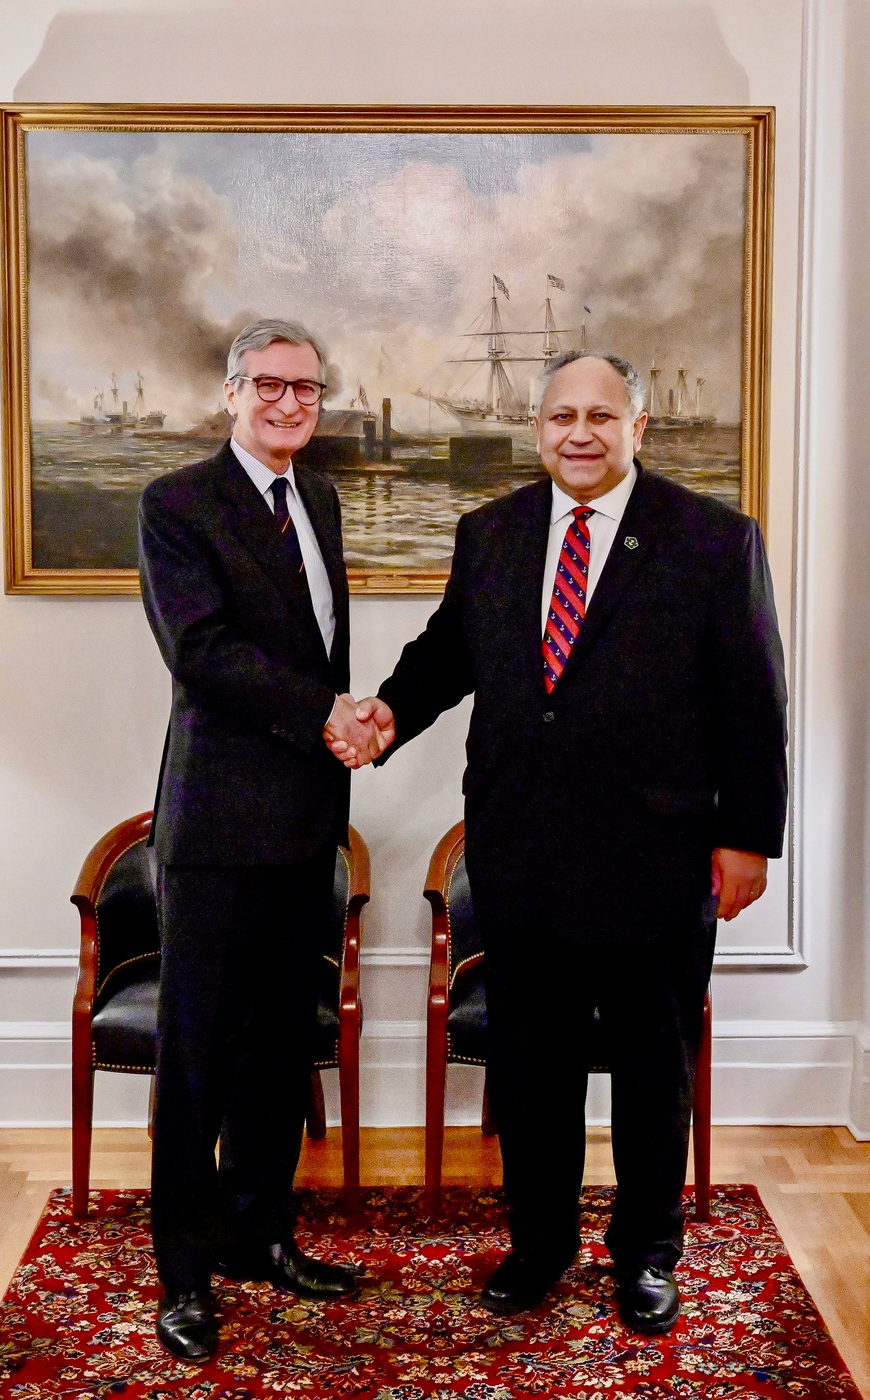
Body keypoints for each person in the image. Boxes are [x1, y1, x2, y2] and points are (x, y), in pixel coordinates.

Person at [335, 350, 787, 1332]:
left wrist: (749, 836)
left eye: (600, 415)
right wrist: (383, 717)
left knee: (651, 1068)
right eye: (560, 417)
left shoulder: (712, 540)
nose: (578, 433)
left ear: (639, 426)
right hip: (521, 855)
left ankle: (646, 1255)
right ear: (537, 430)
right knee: (531, 1069)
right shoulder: (490, 533)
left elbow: (754, 700)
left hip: (656, 861)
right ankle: (539, 1244)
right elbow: (446, 653)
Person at [138, 318, 385, 1361]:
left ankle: (259, 1230)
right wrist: (330, 710)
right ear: (232, 391)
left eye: (308, 391)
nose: (291, 405)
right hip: (218, 825)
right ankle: (185, 1272)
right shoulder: (177, 503)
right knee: (198, 1055)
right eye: (272, 387)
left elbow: (312, 639)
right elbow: (200, 651)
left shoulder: (318, 497)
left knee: (282, 1048)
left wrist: (346, 722)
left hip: (303, 826)